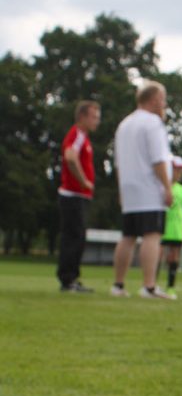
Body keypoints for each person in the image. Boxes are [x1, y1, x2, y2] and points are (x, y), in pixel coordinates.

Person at [111, 82, 175, 300]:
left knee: (128, 236)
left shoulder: (124, 124)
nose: (164, 103)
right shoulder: (153, 123)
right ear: (155, 99)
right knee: (152, 235)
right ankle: (149, 286)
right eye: (163, 99)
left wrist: (122, 189)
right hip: (149, 188)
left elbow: (118, 163)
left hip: (129, 188)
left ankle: (118, 284)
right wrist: (167, 187)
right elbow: (158, 159)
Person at [56, 100, 101, 292]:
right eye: (94, 117)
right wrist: (83, 181)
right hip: (73, 196)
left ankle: (71, 278)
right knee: (74, 238)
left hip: (78, 197)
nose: (97, 121)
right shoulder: (77, 134)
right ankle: (68, 279)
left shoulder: (83, 137)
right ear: (82, 116)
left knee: (78, 237)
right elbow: (70, 156)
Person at [161, 157, 182, 297]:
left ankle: (171, 286)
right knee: (158, 254)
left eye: (181, 171)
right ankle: (151, 284)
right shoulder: (161, 186)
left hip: (177, 229)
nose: (179, 174)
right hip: (162, 227)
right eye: (177, 170)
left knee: (174, 257)